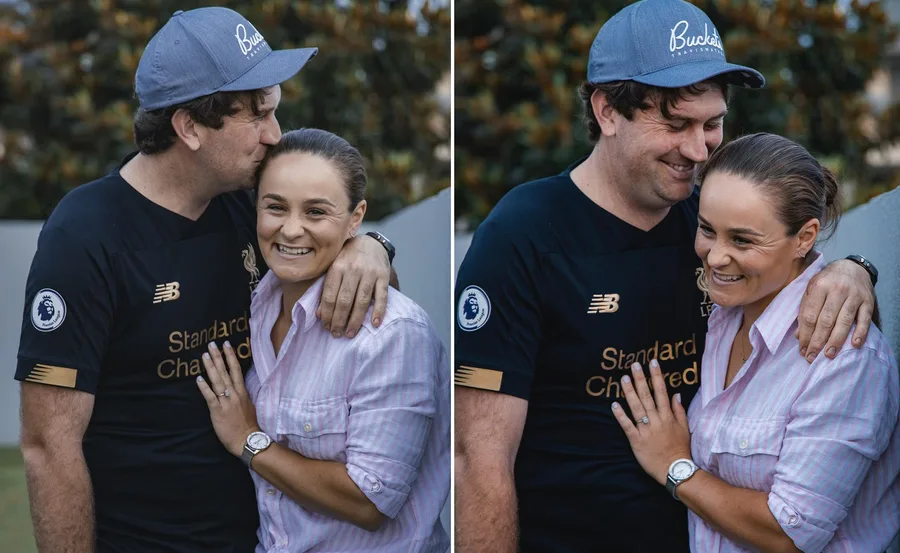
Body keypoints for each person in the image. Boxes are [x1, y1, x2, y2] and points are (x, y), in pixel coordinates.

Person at [453, 1, 879, 552]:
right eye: (675, 123)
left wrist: (854, 270)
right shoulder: (524, 234)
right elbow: (477, 462)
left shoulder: (713, 226)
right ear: (607, 111)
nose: (698, 148)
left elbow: (793, 271)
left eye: (713, 123)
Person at [16, 8, 395, 553]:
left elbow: (329, 249)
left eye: (275, 110)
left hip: (265, 538)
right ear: (189, 127)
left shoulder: (250, 209)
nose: (275, 135)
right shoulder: (85, 235)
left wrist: (371, 247)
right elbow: (49, 445)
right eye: (257, 115)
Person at [612, 132, 900, 552]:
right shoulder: (722, 316)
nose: (715, 257)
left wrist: (675, 467)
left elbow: (790, 533)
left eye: (742, 240)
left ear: (804, 238)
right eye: (707, 229)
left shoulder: (843, 356)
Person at [194, 128, 450, 553]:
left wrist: (248, 439)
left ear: (356, 217)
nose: (291, 230)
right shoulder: (256, 304)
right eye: (275, 207)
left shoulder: (392, 334)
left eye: (316, 212)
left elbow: (370, 501)